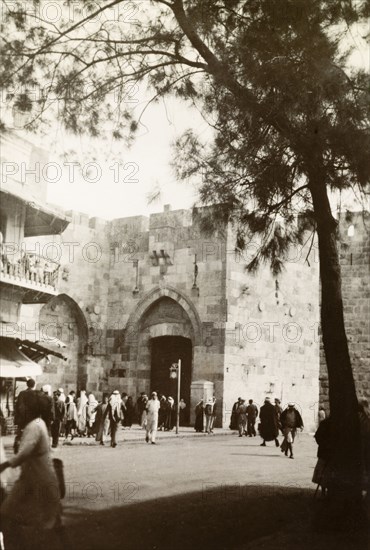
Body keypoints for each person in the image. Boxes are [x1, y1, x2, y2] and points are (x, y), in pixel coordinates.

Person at [0, 392, 62, 550]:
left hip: (38, 480)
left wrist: (6, 464)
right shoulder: (36, 424)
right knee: (10, 513)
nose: (20, 407)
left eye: (22, 404)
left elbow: (25, 452)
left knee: (41, 524)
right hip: (29, 480)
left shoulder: (35, 426)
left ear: (30, 407)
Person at [14, 378, 38, 453]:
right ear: (34, 385)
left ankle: (17, 444)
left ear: (27, 384)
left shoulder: (22, 393)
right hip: (32, 418)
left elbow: (18, 406)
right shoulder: (36, 394)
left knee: (20, 432)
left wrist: (20, 416)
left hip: (22, 417)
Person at [312, 416, 334, 497]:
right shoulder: (325, 423)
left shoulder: (337, 423)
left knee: (328, 473)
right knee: (323, 472)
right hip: (325, 452)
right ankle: (324, 491)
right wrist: (325, 445)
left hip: (329, 452)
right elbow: (318, 436)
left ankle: (327, 491)